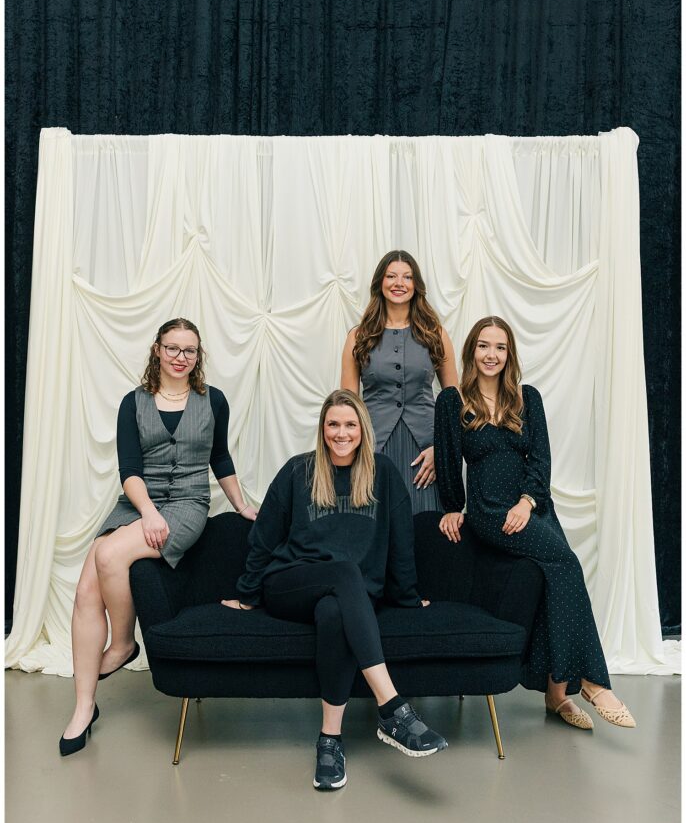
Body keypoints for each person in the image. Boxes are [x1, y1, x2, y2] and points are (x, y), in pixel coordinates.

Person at [221, 389, 448, 790]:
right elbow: (263, 537)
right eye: (333, 424)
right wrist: (247, 596)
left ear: (362, 429)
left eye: (349, 425)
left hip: (348, 595)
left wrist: (408, 598)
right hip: (290, 583)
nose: (341, 433)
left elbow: (402, 543)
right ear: (322, 428)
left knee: (333, 612)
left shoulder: (383, 474)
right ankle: (392, 708)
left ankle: (329, 741)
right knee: (344, 573)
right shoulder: (299, 471)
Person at [59, 317, 257, 756]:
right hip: (136, 503)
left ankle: (124, 643)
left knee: (109, 556)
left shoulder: (213, 400)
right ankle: (83, 706)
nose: (181, 357)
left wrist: (242, 505)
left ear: (198, 355)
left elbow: (220, 457)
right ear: (157, 349)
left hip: (187, 506)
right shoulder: (133, 403)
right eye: (173, 348)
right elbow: (129, 470)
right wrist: (147, 512)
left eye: (190, 350)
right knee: (86, 590)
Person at [434, 316, 635, 731]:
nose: (491, 355)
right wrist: (453, 506)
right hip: (491, 510)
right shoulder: (453, 401)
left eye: (500, 347)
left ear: (509, 354)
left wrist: (528, 502)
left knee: (550, 576)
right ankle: (593, 682)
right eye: (484, 346)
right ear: (472, 350)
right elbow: (448, 461)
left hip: (533, 506)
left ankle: (556, 695)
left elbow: (541, 458)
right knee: (567, 563)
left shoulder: (528, 398)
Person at [341, 250, 458, 514]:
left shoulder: (436, 334)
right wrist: (355, 454)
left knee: (425, 524)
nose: (399, 283)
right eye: (391, 276)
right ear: (380, 283)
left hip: (426, 451)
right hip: (374, 447)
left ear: (416, 285)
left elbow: (454, 402)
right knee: (377, 523)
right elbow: (346, 406)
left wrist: (440, 451)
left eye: (407, 277)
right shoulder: (358, 337)